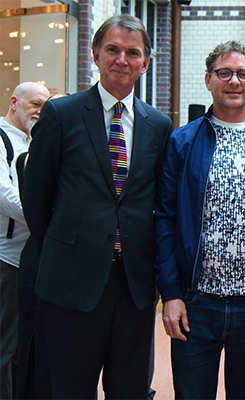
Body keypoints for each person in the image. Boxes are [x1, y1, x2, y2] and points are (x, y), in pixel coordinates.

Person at [20, 15, 172, 399]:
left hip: (134, 285)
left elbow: (156, 198)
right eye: (113, 50)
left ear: (145, 63)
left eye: (133, 53)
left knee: (130, 389)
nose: (122, 59)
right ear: (95, 55)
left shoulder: (158, 124)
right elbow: (36, 196)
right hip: (72, 282)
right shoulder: (61, 114)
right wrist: (68, 244)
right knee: (69, 389)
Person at [154, 40, 245, 400]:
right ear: (208, 80)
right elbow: (165, 219)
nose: (234, 81)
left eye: (242, 74)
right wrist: (170, 293)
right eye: (225, 73)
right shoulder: (183, 142)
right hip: (197, 301)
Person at [15, 92, 69, 400]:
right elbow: (35, 209)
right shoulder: (28, 158)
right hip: (40, 261)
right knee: (35, 351)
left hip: (65, 266)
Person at [0, 82, 49, 400]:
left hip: (29, 263)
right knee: (4, 349)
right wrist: (47, 217)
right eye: (34, 104)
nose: (39, 112)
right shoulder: (2, 140)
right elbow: (5, 196)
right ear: (14, 102)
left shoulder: (30, 144)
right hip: (6, 263)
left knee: (21, 348)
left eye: (45, 106)